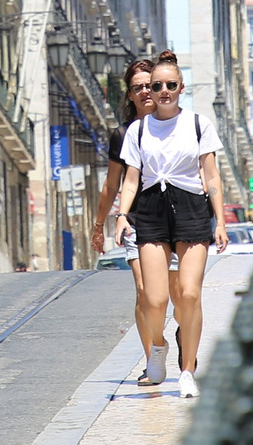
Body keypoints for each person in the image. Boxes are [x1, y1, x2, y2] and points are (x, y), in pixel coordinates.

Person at [104, 52, 228, 400]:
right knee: (154, 299)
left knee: (188, 294)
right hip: (151, 210)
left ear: (181, 87)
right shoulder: (138, 130)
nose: (162, 91)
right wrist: (121, 215)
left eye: (169, 85)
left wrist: (220, 221)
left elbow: (211, 175)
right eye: (156, 86)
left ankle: (186, 370)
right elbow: (130, 180)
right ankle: (157, 346)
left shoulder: (198, 124)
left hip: (190, 208)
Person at [91, 58, 168, 384]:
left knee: (173, 295)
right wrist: (99, 226)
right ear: (130, 96)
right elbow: (112, 185)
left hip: (175, 219)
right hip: (136, 219)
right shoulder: (121, 135)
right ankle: (153, 359)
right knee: (143, 290)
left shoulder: (178, 126)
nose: (144, 92)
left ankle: (171, 344)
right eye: (136, 88)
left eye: (147, 85)